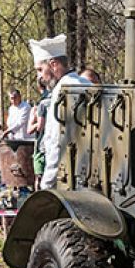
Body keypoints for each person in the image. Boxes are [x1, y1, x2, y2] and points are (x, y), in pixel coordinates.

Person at [29, 33, 91, 190]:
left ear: (53, 64)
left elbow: (57, 141)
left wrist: (47, 184)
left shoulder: (64, 91)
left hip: (68, 179)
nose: (39, 76)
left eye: (40, 70)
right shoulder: (83, 83)